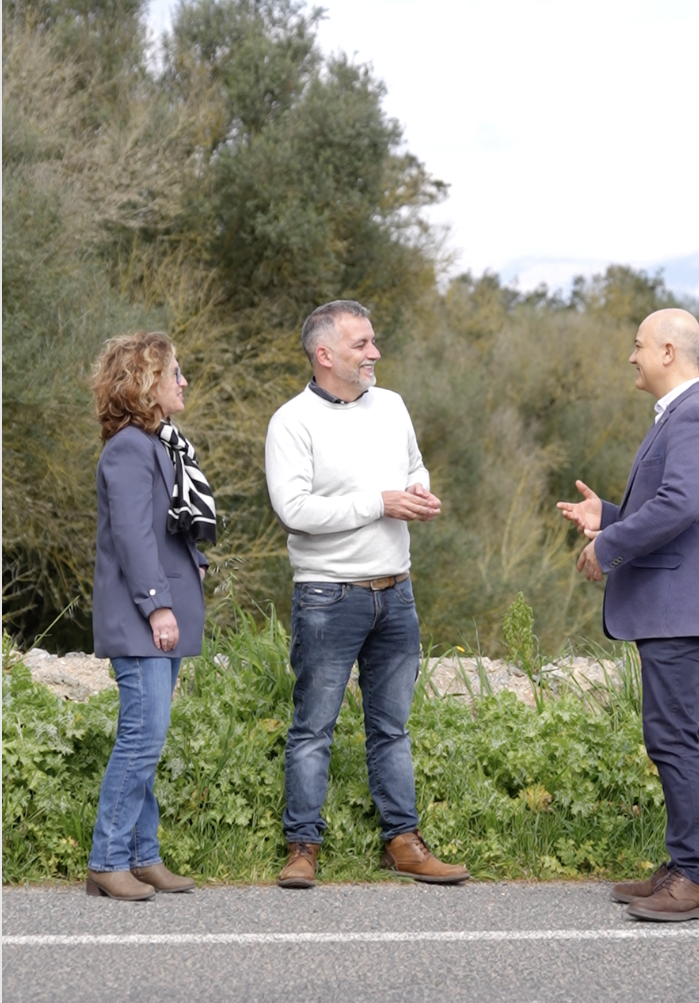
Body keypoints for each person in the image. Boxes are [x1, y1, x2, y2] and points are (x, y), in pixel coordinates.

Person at [265, 300, 470, 888]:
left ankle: (403, 843)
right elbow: (295, 512)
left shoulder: (394, 406)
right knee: (313, 728)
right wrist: (380, 502)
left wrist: (417, 492)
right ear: (325, 354)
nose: (375, 353)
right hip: (328, 597)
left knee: (393, 727)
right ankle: (302, 847)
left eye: (374, 341)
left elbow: (415, 466)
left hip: (397, 593)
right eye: (361, 344)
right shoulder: (292, 421)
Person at [558, 308, 699, 922]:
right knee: (685, 737)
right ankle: (692, 865)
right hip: (679, 608)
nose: (631, 356)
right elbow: (674, 507)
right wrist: (608, 515)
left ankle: (692, 880)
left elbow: (679, 506)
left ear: (668, 350)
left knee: (673, 739)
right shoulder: (686, 415)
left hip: (681, 610)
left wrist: (606, 547)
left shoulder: (695, 415)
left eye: (638, 346)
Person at [86, 331, 216, 900]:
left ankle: (143, 855)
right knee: (143, 737)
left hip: (159, 618)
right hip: (142, 620)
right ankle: (107, 860)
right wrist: (159, 604)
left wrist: (198, 560)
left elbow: (168, 525)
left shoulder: (160, 444)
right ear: (145, 384)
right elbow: (134, 536)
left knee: (150, 740)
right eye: (175, 373)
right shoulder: (129, 449)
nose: (184, 382)